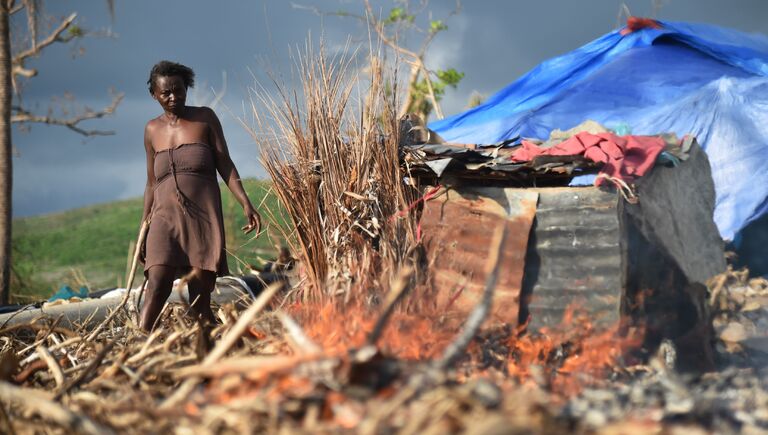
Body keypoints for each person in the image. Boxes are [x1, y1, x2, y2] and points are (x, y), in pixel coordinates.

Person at [139, 60, 261, 331]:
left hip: (202, 218)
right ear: (154, 95)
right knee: (157, 283)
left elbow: (225, 164)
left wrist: (246, 203)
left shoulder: (204, 118)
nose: (173, 97)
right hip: (164, 218)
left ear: (186, 89)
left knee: (200, 299)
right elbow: (151, 183)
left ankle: (207, 351)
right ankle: (137, 344)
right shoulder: (151, 130)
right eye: (165, 93)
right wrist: (144, 227)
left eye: (178, 90)